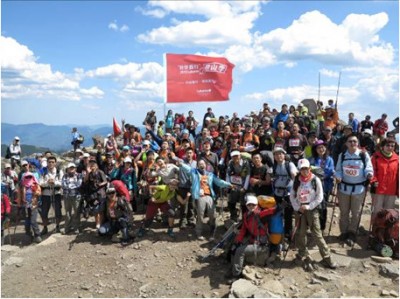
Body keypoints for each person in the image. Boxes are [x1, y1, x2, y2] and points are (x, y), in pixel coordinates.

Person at [290, 159, 337, 271]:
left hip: (312, 210)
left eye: (306, 168)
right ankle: (302, 253)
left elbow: (320, 197)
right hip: (299, 210)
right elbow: (292, 196)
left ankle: (327, 257)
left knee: (317, 234)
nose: (304, 171)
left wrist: (309, 206)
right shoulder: (296, 180)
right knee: (300, 233)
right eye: (302, 169)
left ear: (310, 168)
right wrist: (297, 207)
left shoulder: (315, 180)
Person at [177, 158, 233, 240]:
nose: (201, 165)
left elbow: (219, 181)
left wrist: (228, 184)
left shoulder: (210, 174)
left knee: (212, 214)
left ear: (206, 165)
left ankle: (212, 231)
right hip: (199, 196)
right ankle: (198, 233)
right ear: (197, 166)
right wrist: (181, 164)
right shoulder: (194, 172)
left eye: (203, 163)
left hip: (210, 196)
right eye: (199, 163)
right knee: (200, 215)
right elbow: (187, 168)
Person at [226, 194, 276, 283]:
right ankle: (234, 268)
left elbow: (270, 211)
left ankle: (236, 275)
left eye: (253, 205)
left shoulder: (260, 214)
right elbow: (243, 230)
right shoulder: (246, 215)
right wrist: (238, 241)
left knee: (240, 251)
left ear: (257, 205)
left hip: (261, 244)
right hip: (253, 240)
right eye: (249, 205)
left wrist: (279, 207)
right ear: (246, 205)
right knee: (234, 248)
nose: (251, 206)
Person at [335, 133, 373, 246]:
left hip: (359, 189)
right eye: (350, 141)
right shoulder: (342, 155)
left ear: (358, 143)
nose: (352, 143)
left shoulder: (363, 155)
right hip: (344, 189)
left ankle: (352, 232)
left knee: (356, 213)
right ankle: (344, 232)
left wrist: (369, 174)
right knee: (344, 212)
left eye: (355, 141)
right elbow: (338, 170)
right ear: (346, 143)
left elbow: (368, 168)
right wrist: (338, 176)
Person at [271, 147, 297, 240]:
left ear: (284, 155)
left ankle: (288, 233)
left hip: (288, 194)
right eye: (276, 154)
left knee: (288, 214)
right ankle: (278, 231)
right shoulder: (274, 166)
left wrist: (294, 175)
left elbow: (294, 173)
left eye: (280, 154)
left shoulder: (289, 164)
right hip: (277, 193)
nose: (278, 156)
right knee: (277, 213)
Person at [370, 138, 399, 222]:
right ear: (382, 146)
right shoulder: (376, 157)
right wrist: (373, 181)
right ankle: (375, 231)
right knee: (377, 211)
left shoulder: (397, 159)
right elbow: (372, 171)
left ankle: (385, 233)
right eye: (388, 145)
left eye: (392, 146)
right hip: (378, 189)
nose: (390, 147)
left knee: (389, 213)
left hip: (391, 190)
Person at [309, 140, 335, 231]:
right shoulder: (311, 159)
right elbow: (309, 171)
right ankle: (314, 226)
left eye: (323, 147)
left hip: (326, 185)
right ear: (315, 149)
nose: (321, 149)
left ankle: (322, 227)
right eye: (318, 147)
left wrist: (318, 172)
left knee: (323, 206)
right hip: (313, 186)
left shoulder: (329, 159)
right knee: (313, 205)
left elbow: (330, 171)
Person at [39, 156, 64, 235]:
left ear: (55, 163)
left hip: (56, 193)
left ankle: (57, 226)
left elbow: (62, 182)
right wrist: (47, 182)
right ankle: (45, 227)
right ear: (47, 163)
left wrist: (54, 182)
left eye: (53, 162)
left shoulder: (59, 171)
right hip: (45, 194)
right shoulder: (43, 171)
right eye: (49, 162)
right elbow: (40, 182)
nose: (51, 163)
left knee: (58, 211)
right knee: (44, 212)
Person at [226, 150, 251, 221]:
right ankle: (233, 216)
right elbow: (227, 174)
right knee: (231, 201)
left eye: (237, 156)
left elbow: (248, 175)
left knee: (243, 203)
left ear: (240, 156)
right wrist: (228, 185)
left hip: (243, 185)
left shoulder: (245, 163)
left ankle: (244, 219)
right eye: (233, 156)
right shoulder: (230, 163)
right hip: (233, 185)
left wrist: (245, 188)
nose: (235, 158)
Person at [18, 172, 42, 243]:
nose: (28, 178)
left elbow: (39, 192)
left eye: (30, 177)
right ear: (24, 178)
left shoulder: (35, 184)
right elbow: (19, 196)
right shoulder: (22, 186)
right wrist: (19, 204)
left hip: (33, 205)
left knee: (33, 220)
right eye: (27, 177)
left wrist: (36, 193)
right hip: (25, 206)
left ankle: (37, 235)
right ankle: (28, 235)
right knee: (27, 221)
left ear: (32, 177)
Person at [84, 158, 108, 230]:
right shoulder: (89, 173)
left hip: (101, 193)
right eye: (91, 164)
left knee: (101, 209)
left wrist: (100, 184)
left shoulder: (100, 172)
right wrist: (88, 173)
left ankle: (101, 223)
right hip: (93, 194)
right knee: (95, 209)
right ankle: (97, 224)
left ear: (96, 165)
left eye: (93, 164)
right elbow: (85, 181)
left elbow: (105, 181)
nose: (92, 165)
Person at [61, 163, 83, 234]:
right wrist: (72, 187)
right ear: (67, 169)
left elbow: (79, 184)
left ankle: (76, 228)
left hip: (76, 196)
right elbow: (63, 185)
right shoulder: (64, 176)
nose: (71, 169)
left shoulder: (79, 175)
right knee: (67, 212)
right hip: (67, 196)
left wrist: (70, 187)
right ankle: (67, 228)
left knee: (76, 212)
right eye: (70, 168)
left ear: (75, 168)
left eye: (73, 168)